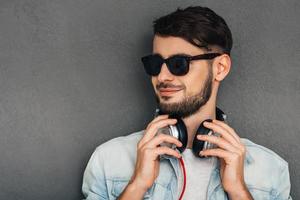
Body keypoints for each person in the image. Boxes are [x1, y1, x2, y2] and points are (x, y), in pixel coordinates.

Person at [82, 6, 292, 200]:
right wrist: (136, 186)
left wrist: (238, 191)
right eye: (155, 64)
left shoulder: (271, 170)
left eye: (178, 63)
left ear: (220, 68)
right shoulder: (108, 160)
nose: (162, 76)